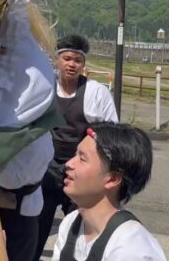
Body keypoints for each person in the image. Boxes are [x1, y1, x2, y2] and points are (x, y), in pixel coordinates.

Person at [34, 34, 118, 260]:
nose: (72, 65)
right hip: (46, 166)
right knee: (37, 227)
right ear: (57, 60)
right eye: (67, 59)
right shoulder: (43, 86)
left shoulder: (96, 92)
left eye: (77, 61)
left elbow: (109, 133)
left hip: (80, 168)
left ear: (83, 64)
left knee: (79, 226)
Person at [51, 123, 166, 260]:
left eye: (82, 159)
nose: (69, 164)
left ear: (112, 179)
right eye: (75, 154)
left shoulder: (131, 247)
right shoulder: (70, 223)